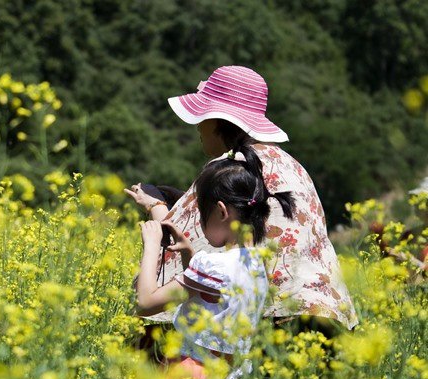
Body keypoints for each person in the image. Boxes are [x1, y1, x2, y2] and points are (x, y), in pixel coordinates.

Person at [127, 65, 358, 340]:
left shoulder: (228, 170)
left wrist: (155, 206)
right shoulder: (294, 167)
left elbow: (177, 242)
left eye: (203, 117)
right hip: (325, 319)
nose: (199, 128)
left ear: (217, 121)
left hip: (268, 322)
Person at [135, 151, 296, 379]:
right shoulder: (257, 266)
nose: (200, 222)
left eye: (202, 214)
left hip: (189, 378)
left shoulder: (214, 266)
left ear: (221, 212)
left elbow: (145, 303)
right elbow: (211, 300)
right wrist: (190, 254)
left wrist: (152, 245)